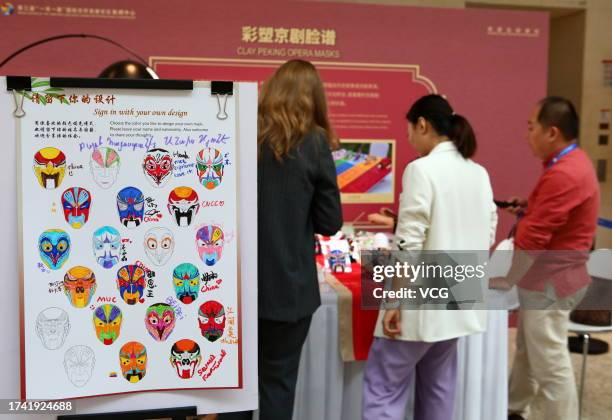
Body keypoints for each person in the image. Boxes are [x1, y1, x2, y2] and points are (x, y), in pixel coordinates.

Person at [218, 60, 342, 420]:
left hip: (235, 288)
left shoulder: (239, 131)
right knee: (278, 384)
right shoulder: (315, 142)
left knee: (234, 389)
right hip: (290, 292)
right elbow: (330, 222)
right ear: (314, 97)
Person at [362, 94, 498, 420]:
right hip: (459, 298)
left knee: (384, 389)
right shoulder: (478, 172)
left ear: (422, 124)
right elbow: (488, 231)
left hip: (420, 300)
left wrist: (395, 300)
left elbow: (410, 242)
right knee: (439, 390)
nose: (408, 138)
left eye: (408, 129)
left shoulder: (421, 170)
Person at [490, 97, 600, 420]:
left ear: (551, 132)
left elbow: (535, 239)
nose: (527, 135)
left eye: (530, 127)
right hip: (551, 278)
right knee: (529, 350)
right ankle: (514, 408)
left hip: (551, 282)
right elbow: (550, 218)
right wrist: (527, 207)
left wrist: (508, 278)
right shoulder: (568, 164)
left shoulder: (565, 173)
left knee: (551, 365)